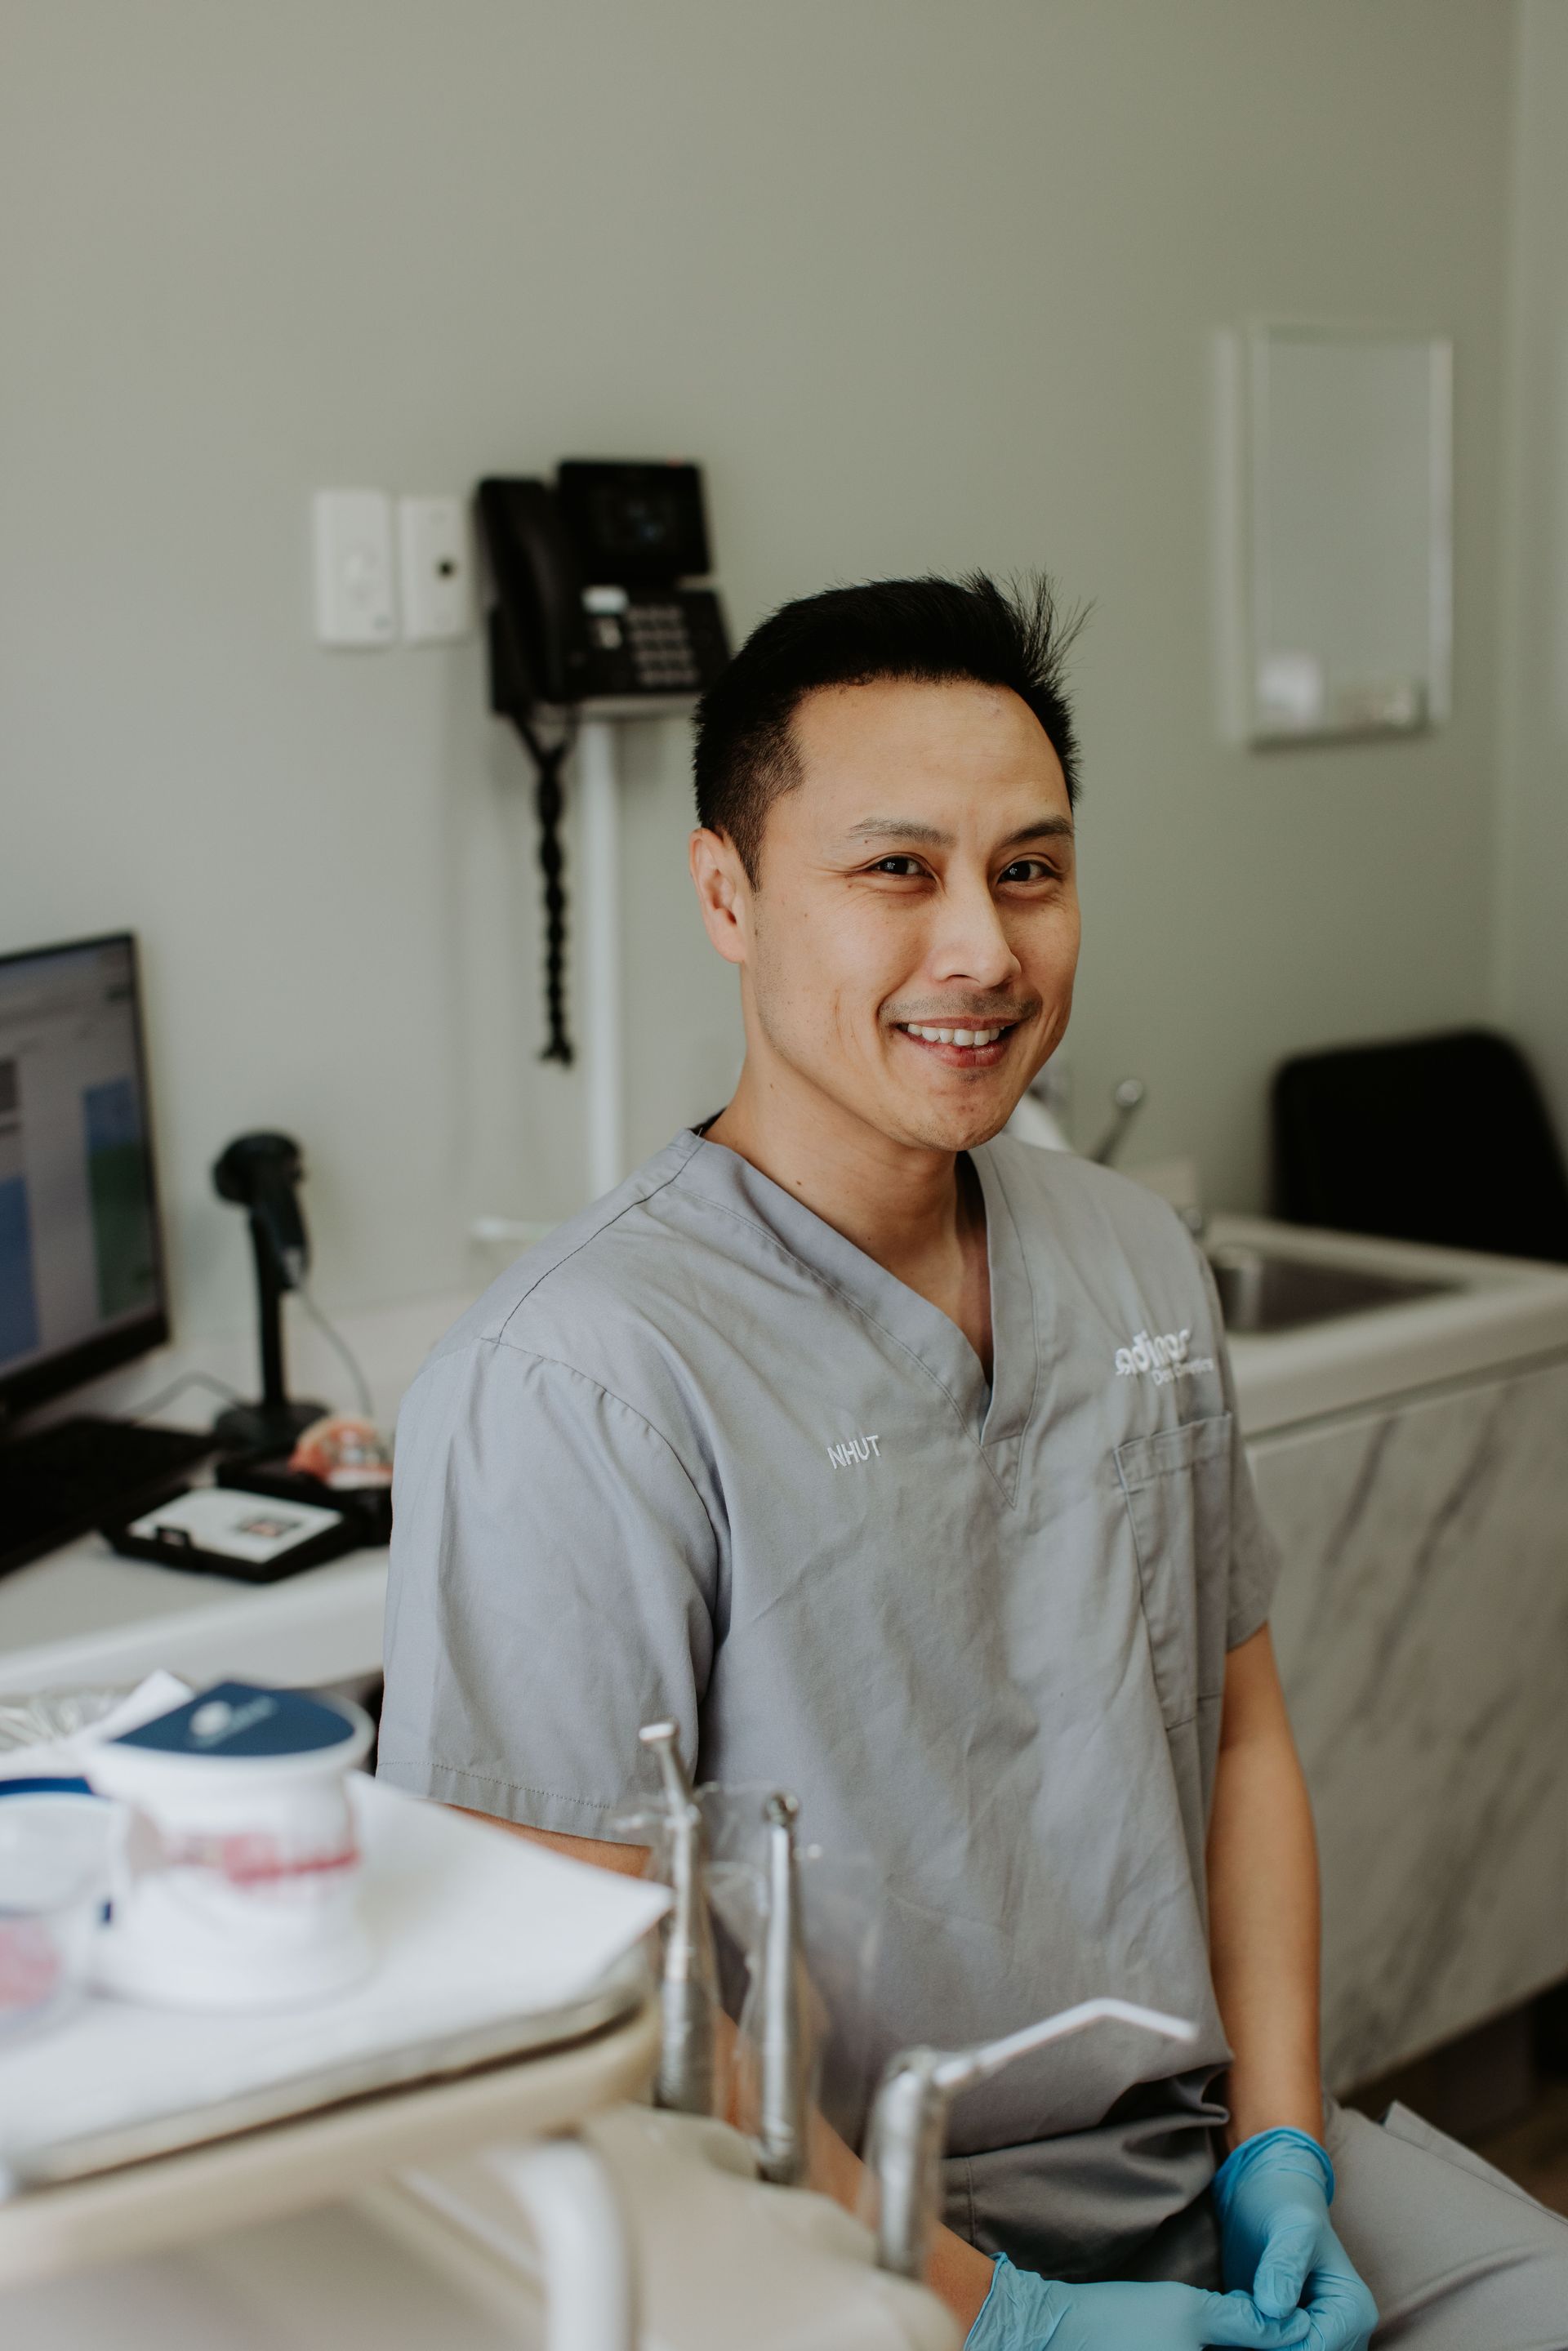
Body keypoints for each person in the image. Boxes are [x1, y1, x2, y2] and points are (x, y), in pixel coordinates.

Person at [379, 576, 1568, 2348]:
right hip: (815, 2234)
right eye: (895, 872)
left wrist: (1284, 2149)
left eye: (1028, 870)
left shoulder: (1129, 1260)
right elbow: (582, 1997)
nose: (982, 951)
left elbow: (1241, 1737)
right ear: (727, 892)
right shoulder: (576, 1383)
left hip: (1191, 2165)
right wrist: (1003, 2319)